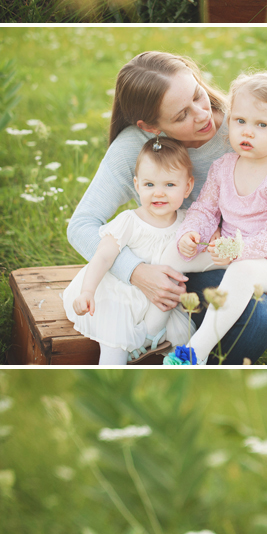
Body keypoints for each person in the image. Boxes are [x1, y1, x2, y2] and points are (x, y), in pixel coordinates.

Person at [65, 51, 267, 366]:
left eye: (198, 95)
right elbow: (82, 224)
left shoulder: (244, 123)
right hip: (203, 254)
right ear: (153, 127)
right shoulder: (137, 147)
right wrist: (136, 272)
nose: (202, 115)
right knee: (260, 319)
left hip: (264, 254)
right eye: (181, 115)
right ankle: (190, 365)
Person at [163, 72, 267, 368]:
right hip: (225, 249)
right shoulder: (224, 167)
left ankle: (195, 351)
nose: (248, 132)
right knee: (173, 253)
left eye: (262, 125)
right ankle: (149, 327)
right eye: (240, 121)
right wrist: (191, 233)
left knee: (243, 273)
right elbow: (205, 210)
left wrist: (236, 250)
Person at [62, 139, 196, 367]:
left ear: (188, 187)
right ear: (137, 185)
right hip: (120, 294)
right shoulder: (129, 222)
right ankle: (111, 375)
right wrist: (87, 291)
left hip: (155, 300)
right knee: (115, 340)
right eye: (149, 185)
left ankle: (146, 347)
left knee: (184, 337)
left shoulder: (187, 222)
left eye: (170, 185)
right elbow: (103, 257)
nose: (159, 194)